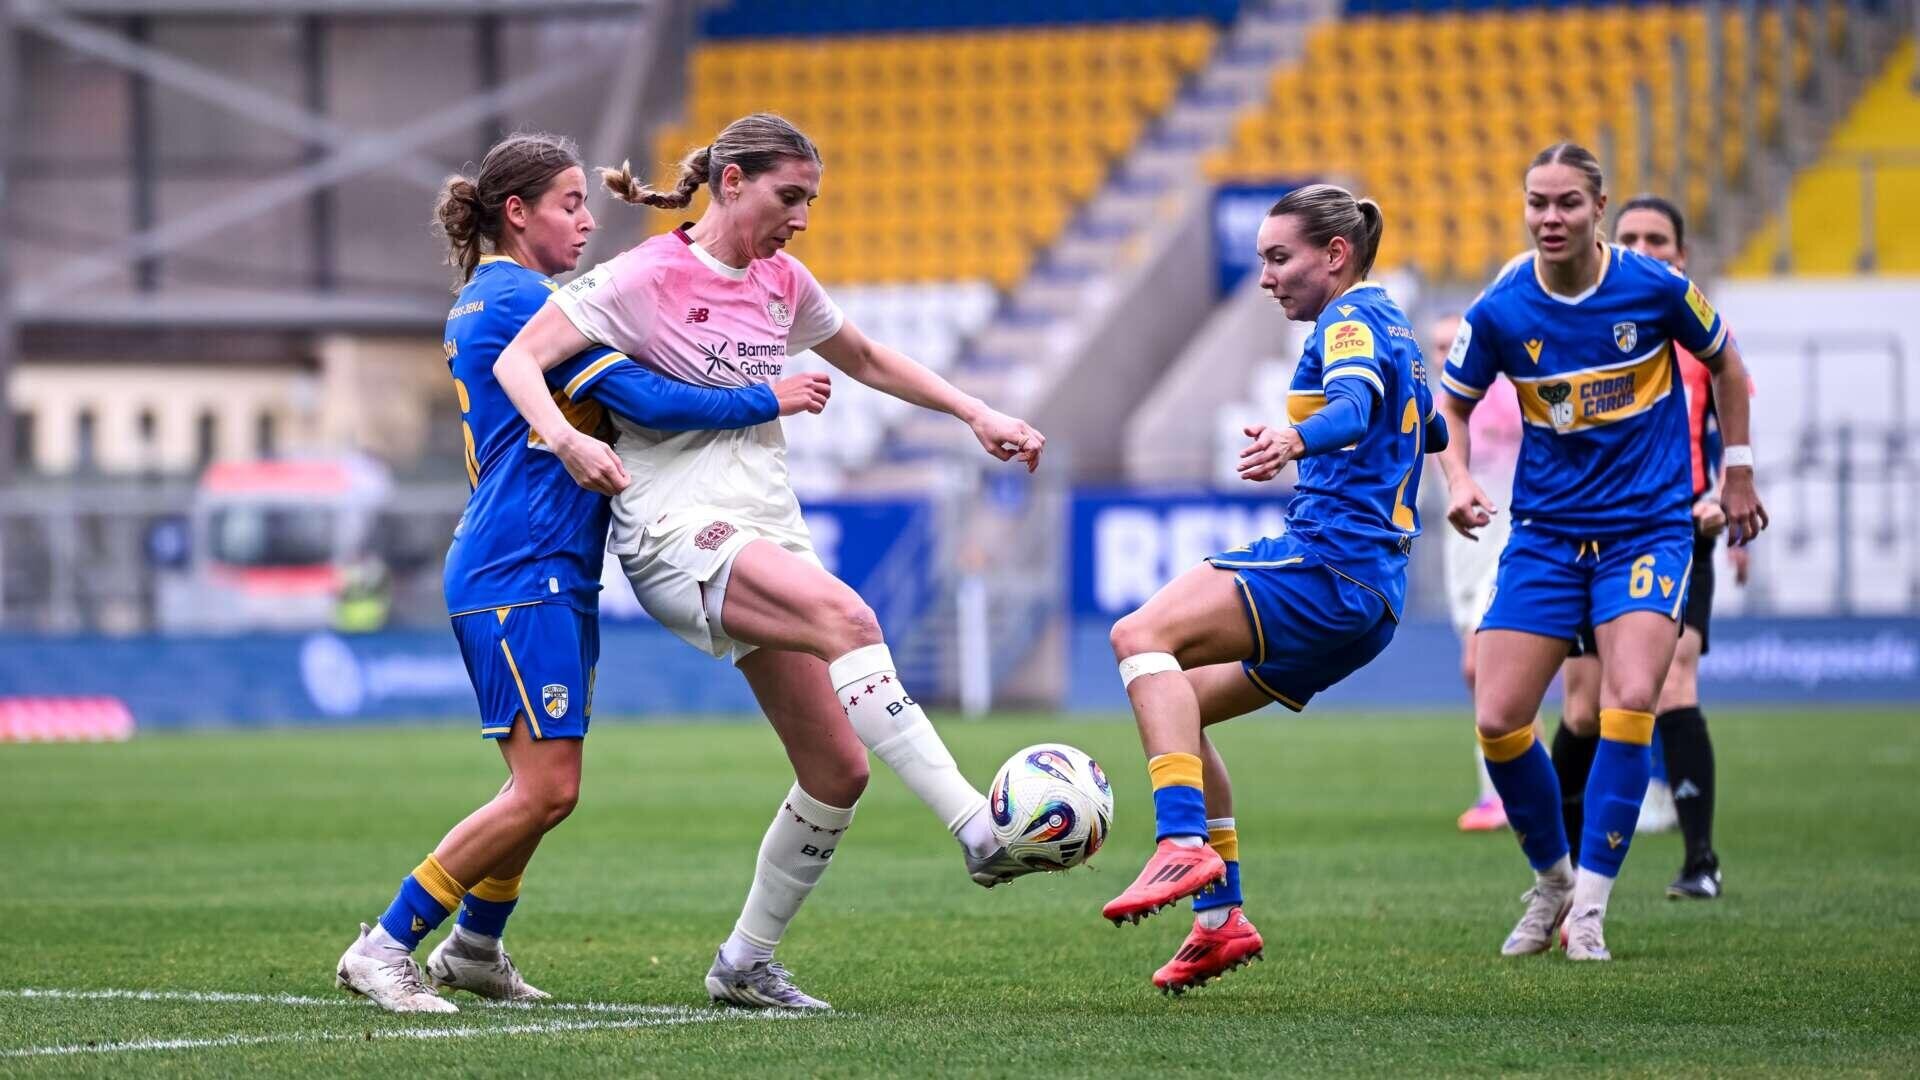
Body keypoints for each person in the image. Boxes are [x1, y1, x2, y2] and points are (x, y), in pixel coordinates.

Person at [491, 113, 1048, 1010]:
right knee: (851, 620)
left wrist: (975, 413)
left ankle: (744, 963)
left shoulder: (784, 280)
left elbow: (864, 356)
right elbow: (522, 361)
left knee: (839, 769)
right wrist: (562, 441)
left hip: (765, 523)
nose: (803, 218)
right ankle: (978, 827)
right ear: (733, 181)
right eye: (791, 197)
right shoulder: (642, 275)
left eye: (812, 201)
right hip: (676, 527)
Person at [335, 132, 824, 1014]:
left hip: (549, 563)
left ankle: (476, 948)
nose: (587, 220)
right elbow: (646, 399)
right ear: (515, 214)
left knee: (543, 784)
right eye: (569, 203)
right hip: (517, 562)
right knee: (548, 787)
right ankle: (385, 942)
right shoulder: (525, 300)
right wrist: (767, 392)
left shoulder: (502, 296)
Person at [1100, 184, 1447, 992]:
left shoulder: (1350, 320)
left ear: (1335, 255)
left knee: (1136, 638)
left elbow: (1357, 406)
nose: (1266, 277)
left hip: (1328, 565)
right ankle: (1221, 919)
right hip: (1374, 599)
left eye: (1279, 258)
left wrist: (1298, 435)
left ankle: (1180, 841)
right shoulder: (1395, 321)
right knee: (1174, 701)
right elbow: (1425, 425)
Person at [1435, 143, 1766, 962]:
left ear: (1598, 207)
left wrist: (1739, 472)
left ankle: (1590, 908)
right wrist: (1458, 479)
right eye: (1537, 202)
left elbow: (1726, 361)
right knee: (1499, 716)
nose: (1550, 218)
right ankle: (1551, 880)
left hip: (1646, 530)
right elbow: (1453, 403)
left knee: (1628, 701)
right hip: (1545, 535)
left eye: (1567, 204)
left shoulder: (1654, 288)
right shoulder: (1504, 306)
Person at [1553, 194, 1749, 899]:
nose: (1643, 246)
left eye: (1657, 239)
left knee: (1674, 680)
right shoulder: (1584, 325)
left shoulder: (1701, 343)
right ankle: (1561, 872)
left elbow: (1727, 430)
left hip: (1678, 530)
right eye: (1630, 235)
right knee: (1582, 708)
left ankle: (1700, 861)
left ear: (1681, 254)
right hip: (1589, 536)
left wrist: (1728, 495)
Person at [1432, 311, 1526, 833]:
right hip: (1461, 547)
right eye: (1437, 347)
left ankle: (1506, 792)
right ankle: (1504, 791)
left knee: (1481, 664)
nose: (1444, 356)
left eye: (1453, 346)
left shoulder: (1500, 395)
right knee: (1485, 675)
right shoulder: (1435, 406)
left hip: (1504, 536)